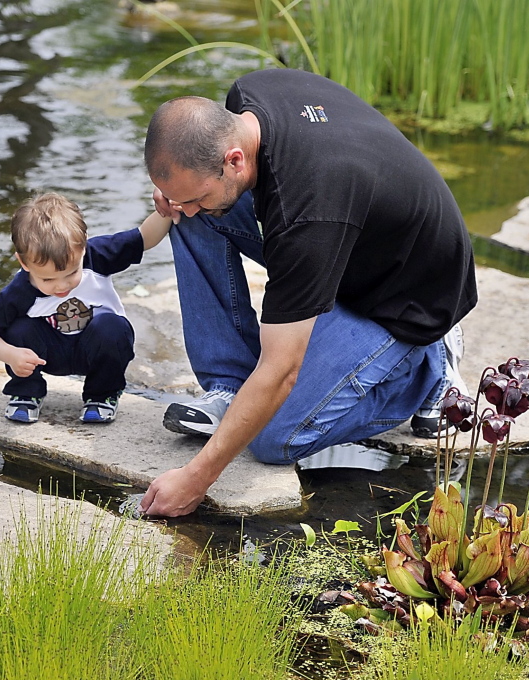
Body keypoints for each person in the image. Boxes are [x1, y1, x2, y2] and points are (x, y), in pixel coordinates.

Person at [139, 68, 477, 517]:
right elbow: (205, 196)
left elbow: (283, 370)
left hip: (409, 299)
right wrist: (177, 200)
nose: (188, 205)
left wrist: (196, 477)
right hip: (352, 245)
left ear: (236, 160)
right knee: (192, 217)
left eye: (195, 193)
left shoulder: (308, 210)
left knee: (273, 437)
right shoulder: (246, 99)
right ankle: (228, 387)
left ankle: (430, 367)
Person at [0, 192, 172, 424]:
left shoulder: (96, 255)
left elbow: (143, 237)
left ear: (84, 246)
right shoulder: (20, 290)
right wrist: (10, 355)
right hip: (47, 356)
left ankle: (102, 396)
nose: (61, 286)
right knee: (18, 329)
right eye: (47, 280)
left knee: (112, 326)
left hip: (94, 348)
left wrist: (168, 209)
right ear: (23, 262)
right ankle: (26, 393)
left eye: (71, 273)